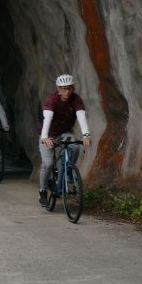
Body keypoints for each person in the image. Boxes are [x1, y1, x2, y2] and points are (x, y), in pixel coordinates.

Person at [38, 74, 92, 206]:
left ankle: (67, 170)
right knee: (48, 163)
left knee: (74, 145)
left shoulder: (76, 100)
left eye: (68, 88)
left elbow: (81, 117)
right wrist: (44, 137)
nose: (66, 92)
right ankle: (43, 190)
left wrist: (86, 135)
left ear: (73, 88)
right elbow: (48, 119)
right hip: (48, 134)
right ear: (58, 89)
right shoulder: (52, 100)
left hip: (64, 133)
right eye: (63, 89)